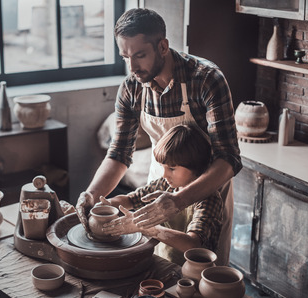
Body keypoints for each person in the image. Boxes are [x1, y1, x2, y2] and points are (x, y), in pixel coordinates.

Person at [76, 8, 241, 266]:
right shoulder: (131, 88)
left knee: (200, 272)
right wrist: (91, 195)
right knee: (156, 268)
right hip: (163, 180)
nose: (132, 67)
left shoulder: (207, 80)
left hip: (206, 191)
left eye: (140, 55)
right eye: (125, 56)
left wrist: (178, 200)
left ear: (163, 46)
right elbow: (119, 154)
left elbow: (228, 160)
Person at [100, 124, 222, 266]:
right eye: (163, 167)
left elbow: (192, 244)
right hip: (163, 263)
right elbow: (130, 199)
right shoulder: (164, 185)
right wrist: (105, 205)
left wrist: (144, 227)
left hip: (194, 275)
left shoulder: (208, 198)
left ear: (196, 166)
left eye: (172, 168)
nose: (164, 175)